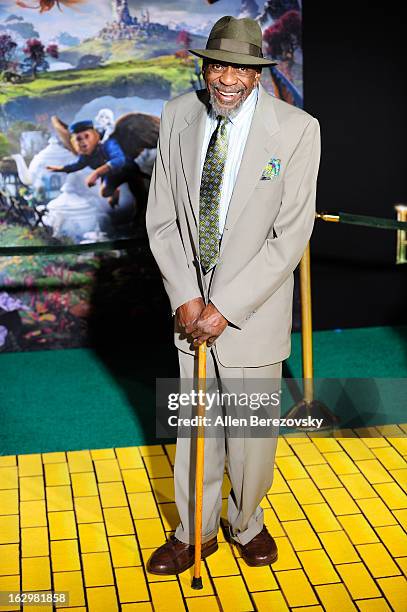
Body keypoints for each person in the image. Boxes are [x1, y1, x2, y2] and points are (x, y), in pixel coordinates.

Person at [146, 15, 320, 574]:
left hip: (251, 316)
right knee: (196, 431)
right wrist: (185, 295)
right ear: (205, 65)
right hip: (189, 313)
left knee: (249, 440)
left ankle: (246, 524)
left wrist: (226, 306)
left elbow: (290, 235)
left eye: (241, 68)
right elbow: (163, 218)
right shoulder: (177, 115)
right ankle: (192, 530)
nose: (227, 78)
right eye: (217, 64)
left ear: (258, 74)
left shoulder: (296, 130)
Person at [47, 120, 142, 208]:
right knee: (104, 192)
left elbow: (119, 160)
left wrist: (96, 174)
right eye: (79, 139)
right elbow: (79, 164)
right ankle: (115, 193)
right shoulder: (86, 154)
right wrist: (61, 169)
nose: (83, 142)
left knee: (139, 193)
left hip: (127, 169)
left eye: (87, 136)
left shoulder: (107, 143)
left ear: (94, 135)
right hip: (110, 173)